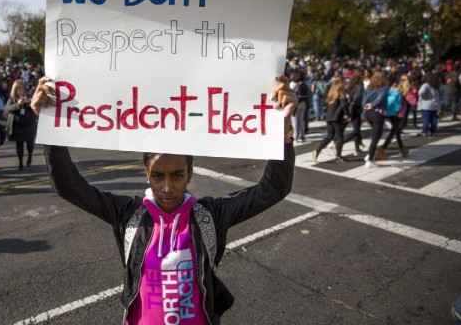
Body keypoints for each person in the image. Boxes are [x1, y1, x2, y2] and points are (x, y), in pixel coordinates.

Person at [31, 75, 297, 324]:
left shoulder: (209, 215)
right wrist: (50, 130)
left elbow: (271, 190)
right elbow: (69, 187)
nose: (168, 187)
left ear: (190, 173)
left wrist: (282, 132)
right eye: (158, 176)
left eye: (178, 175)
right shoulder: (129, 213)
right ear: (146, 172)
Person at [311, 76, 350, 163]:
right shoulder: (341, 93)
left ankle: (317, 151)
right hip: (337, 117)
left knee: (329, 136)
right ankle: (338, 156)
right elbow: (344, 105)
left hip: (329, 116)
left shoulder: (331, 93)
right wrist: (347, 114)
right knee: (340, 137)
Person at [5, 80, 37, 171]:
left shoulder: (29, 97)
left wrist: (28, 103)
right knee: (19, 145)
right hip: (17, 126)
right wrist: (17, 105)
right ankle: (20, 163)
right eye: (18, 89)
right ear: (15, 90)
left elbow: (35, 108)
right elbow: (7, 109)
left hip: (29, 125)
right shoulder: (12, 99)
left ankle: (30, 156)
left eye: (22, 88)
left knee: (30, 144)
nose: (20, 91)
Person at [378, 75, 410, 160]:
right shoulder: (402, 91)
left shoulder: (391, 89)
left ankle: (403, 150)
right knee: (394, 132)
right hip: (398, 114)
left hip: (390, 113)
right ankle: (382, 150)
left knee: (397, 131)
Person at [362, 71, 390, 168]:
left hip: (368, 113)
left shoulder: (369, 87)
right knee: (376, 136)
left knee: (377, 134)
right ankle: (369, 160)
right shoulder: (385, 88)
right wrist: (373, 105)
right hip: (377, 113)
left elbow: (364, 99)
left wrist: (365, 107)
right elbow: (380, 98)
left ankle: (370, 154)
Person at [343, 72, 364, 155]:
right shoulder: (360, 87)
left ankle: (357, 147)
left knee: (355, 129)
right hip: (356, 109)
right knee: (356, 130)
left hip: (350, 109)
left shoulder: (349, 87)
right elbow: (358, 98)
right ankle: (341, 142)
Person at [418, 72, 441, 137]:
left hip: (426, 105)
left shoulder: (425, 85)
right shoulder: (436, 86)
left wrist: (423, 97)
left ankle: (424, 131)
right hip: (435, 105)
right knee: (434, 120)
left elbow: (421, 92)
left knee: (426, 120)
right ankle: (434, 132)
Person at [290, 71, 309, 142]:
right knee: (301, 120)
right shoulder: (304, 84)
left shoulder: (292, 84)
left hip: (296, 103)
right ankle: (302, 135)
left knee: (295, 120)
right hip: (303, 102)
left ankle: (295, 136)